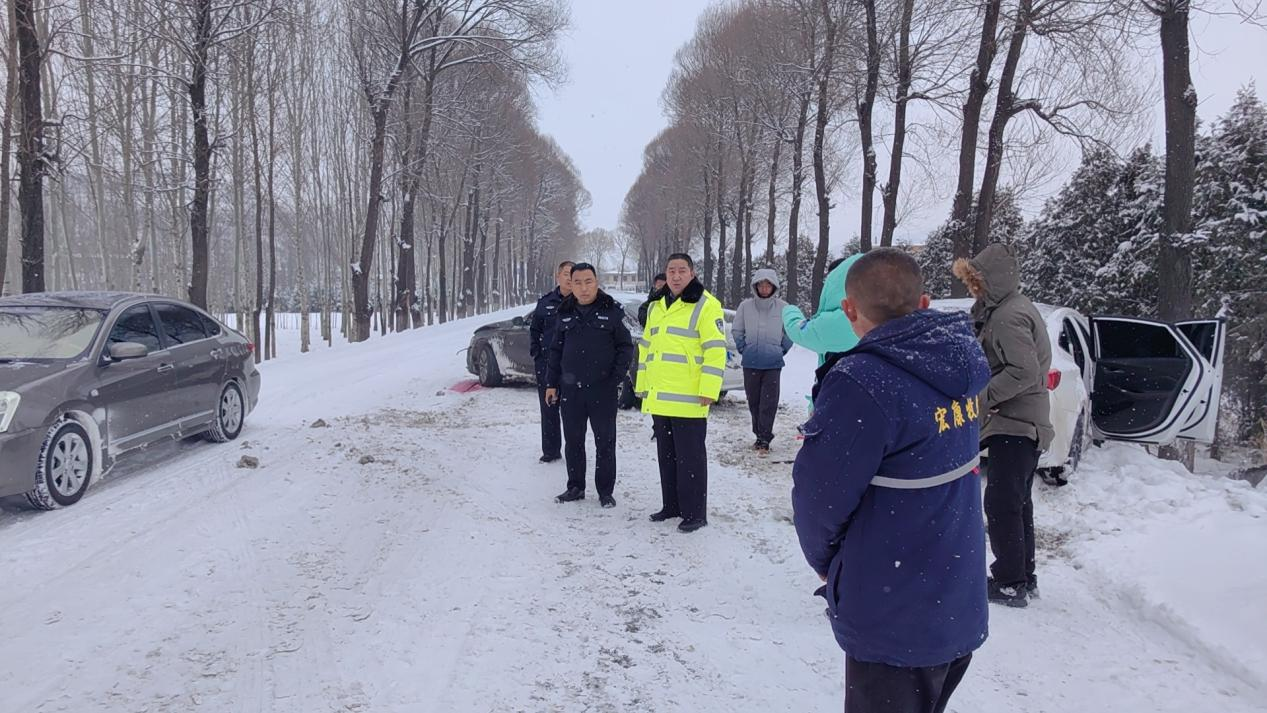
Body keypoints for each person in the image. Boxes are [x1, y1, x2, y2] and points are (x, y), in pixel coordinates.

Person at [792, 248, 992, 713]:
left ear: (848, 309)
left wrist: (828, 565)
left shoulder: (863, 380)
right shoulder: (962, 360)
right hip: (955, 595)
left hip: (895, 609)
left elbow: (819, 496)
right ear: (924, 302)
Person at [954, 244, 1054, 608]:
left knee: (1001, 503)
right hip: (1018, 420)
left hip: (1017, 422)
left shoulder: (1010, 316)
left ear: (991, 280)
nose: (973, 289)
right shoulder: (1003, 309)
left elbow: (1024, 371)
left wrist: (982, 398)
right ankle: (1024, 576)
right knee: (1017, 501)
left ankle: (1011, 582)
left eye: (976, 282)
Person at [634, 253, 726, 533]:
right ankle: (671, 505)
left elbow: (715, 350)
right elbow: (647, 348)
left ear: (692, 273)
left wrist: (709, 390)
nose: (675, 276)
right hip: (660, 396)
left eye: (681, 271)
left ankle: (695, 512)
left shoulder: (706, 305)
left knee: (691, 459)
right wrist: (642, 385)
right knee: (667, 455)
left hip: (690, 398)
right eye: (671, 270)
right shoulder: (656, 306)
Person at [544, 263, 634, 508]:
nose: (583, 288)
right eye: (578, 283)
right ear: (570, 285)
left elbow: (625, 348)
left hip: (601, 391)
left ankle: (605, 491)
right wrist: (551, 383)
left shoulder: (612, 311)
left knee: (604, 441)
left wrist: (614, 378)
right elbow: (555, 350)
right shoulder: (564, 312)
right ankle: (575, 487)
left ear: (596, 282)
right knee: (573, 440)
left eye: (588, 282)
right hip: (570, 391)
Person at [732, 268, 793, 452]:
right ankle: (758, 433)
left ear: (774, 286)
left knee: (769, 402)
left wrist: (781, 349)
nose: (764, 288)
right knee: (754, 401)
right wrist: (744, 348)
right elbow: (737, 330)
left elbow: (790, 332)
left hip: (773, 364)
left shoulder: (783, 307)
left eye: (768, 285)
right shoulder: (745, 306)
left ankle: (765, 437)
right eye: (761, 285)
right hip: (750, 362)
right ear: (755, 286)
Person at [782, 254, 864, 366]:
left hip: (839, 380)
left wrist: (789, 310)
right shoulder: (882, 314)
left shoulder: (842, 320)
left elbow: (799, 330)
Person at [530, 260, 574, 464]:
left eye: (572, 273)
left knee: (572, 412)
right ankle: (551, 450)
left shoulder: (581, 303)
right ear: (558, 276)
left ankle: (574, 450)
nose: (569, 277)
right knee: (548, 408)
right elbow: (535, 330)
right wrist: (537, 355)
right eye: (566, 273)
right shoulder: (545, 302)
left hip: (572, 368)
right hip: (547, 366)